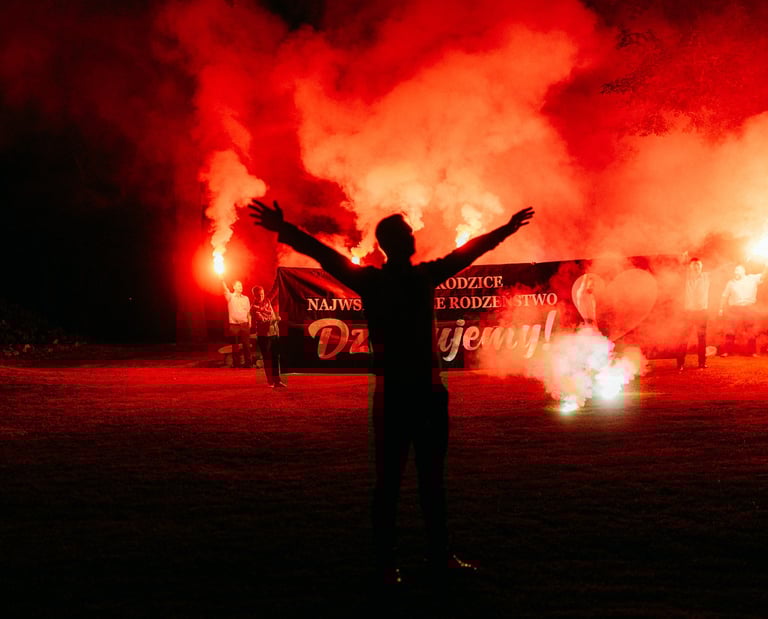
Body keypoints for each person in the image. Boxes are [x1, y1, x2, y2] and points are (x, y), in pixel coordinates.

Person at [249, 198, 535, 585]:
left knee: (391, 482)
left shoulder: (374, 282)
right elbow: (468, 252)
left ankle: (390, 564)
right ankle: (434, 557)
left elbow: (325, 256)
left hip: (394, 396)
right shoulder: (422, 278)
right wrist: (507, 228)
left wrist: (285, 229)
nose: (413, 236)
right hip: (425, 393)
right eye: (408, 232)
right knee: (427, 480)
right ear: (399, 242)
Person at [718, 264, 767, 357]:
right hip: (734, 309)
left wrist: (766, 266)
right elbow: (724, 296)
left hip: (749, 308)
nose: (735, 272)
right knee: (730, 330)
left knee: (750, 330)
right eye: (735, 270)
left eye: (738, 270)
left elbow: (764, 275)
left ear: (744, 271)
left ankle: (752, 352)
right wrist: (720, 308)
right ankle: (727, 351)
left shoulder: (752, 278)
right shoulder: (731, 283)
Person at [676, 256, 710, 370]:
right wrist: (683, 260)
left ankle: (702, 363)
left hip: (702, 312)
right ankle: (680, 363)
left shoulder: (707, 276)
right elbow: (677, 270)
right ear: (690, 267)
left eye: (698, 265)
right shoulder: (685, 277)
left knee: (702, 338)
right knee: (683, 338)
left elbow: (723, 269)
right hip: (688, 313)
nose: (696, 267)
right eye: (694, 265)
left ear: (702, 266)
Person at [251, 285, 285, 387]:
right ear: (254, 296)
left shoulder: (267, 300)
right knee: (267, 359)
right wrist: (275, 319)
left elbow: (275, 290)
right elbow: (263, 321)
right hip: (264, 336)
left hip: (274, 333)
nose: (261, 296)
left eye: (262, 294)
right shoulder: (254, 308)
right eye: (258, 295)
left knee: (275, 357)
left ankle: (277, 380)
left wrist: (280, 277)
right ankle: (270, 381)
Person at [221, 279, 252, 368]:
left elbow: (248, 312)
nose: (241, 287)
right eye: (238, 285)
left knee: (246, 345)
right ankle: (236, 364)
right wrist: (222, 279)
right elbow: (225, 289)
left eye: (241, 285)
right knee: (235, 345)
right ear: (234, 287)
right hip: (234, 325)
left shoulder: (246, 298)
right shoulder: (230, 297)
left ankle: (248, 364)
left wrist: (250, 322)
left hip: (244, 324)